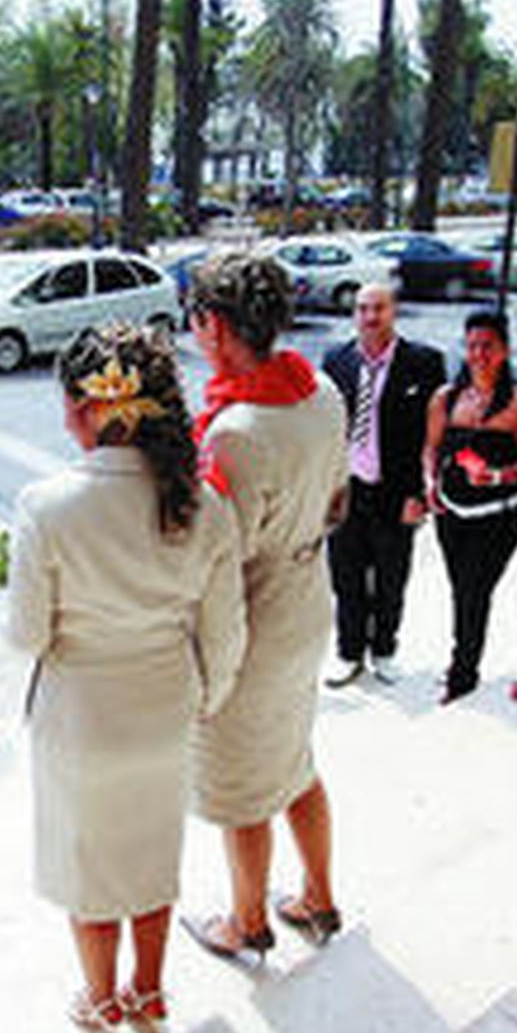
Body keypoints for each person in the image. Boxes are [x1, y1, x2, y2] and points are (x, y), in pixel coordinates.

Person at [5, 323, 245, 1029]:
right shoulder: (203, 505)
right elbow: (226, 633)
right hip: (166, 713)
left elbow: (27, 635)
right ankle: (150, 988)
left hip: (81, 723)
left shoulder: (46, 507)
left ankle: (102, 997)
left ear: (89, 406)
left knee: (91, 870)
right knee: (151, 855)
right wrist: (207, 697)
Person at [181, 251, 350, 960]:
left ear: (215, 326)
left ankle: (246, 923)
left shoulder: (236, 432)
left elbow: (218, 563)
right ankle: (317, 898)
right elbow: (339, 500)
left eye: (195, 318)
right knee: (296, 760)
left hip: (255, 626)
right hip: (310, 601)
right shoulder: (322, 394)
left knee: (245, 786)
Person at [321, 282, 447, 687]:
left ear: (394, 311)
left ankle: (385, 649)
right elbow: (324, 429)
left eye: (379, 308)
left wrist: (419, 495)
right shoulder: (335, 360)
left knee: (392, 576)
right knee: (346, 576)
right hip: (347, 489)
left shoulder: (424, 363)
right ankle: (349, 651)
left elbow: (433, 437)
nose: (370, 317)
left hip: (396, 492)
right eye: (362, 309)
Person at [422, 309, 517, 703]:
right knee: (461, 588)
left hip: (501, 514)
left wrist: (500, 476)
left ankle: (463, 671)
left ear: (504, 350)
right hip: (452, 511)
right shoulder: (445, 398)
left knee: (475, 589)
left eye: (487, 346)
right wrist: (429, 483)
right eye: (471, 346)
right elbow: (431, 449)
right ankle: (464, 661)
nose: (478, 354)